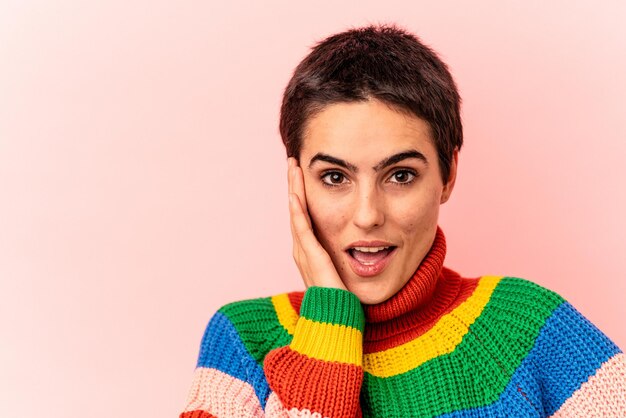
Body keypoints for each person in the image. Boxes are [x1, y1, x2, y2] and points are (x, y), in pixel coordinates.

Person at [178, 24, 626, 417]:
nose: (368, 215)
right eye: (334, 177)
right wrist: (328, 322)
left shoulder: (524, 326)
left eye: (401, 175)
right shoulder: (243, 342)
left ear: (448, 175)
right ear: (296, 181)